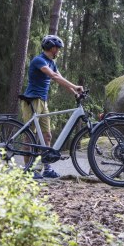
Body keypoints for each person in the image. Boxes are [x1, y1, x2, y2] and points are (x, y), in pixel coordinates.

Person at [21, 35, 84, 179]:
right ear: (52, 48)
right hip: (32, 100)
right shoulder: (39, 60)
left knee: (47, 135)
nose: (59, 52)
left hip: (43, 102)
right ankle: (28, 169)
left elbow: (60, 78)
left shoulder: (51, 63)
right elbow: (53, 76)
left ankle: (47, 168)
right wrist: (75, 86)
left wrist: (75, 93)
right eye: (58, 49)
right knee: (29, 137)